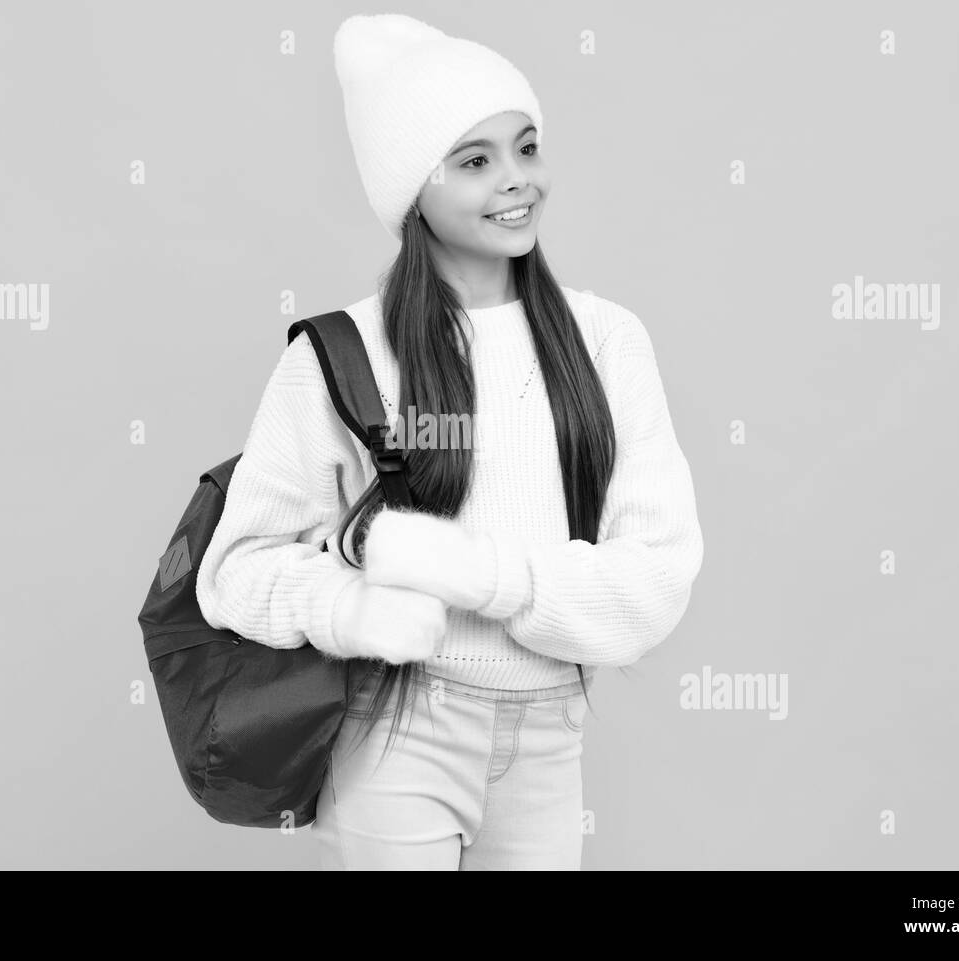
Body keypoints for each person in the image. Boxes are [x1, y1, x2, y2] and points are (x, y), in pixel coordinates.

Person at [196, 13, 705, 870]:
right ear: (412, 191)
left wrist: (476, 571)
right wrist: (350, 608)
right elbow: (232, 573)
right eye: (475, 161)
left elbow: (656, 576)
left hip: (551, 740)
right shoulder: (342, 354)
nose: (517, 182)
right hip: (400, 727)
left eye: (527, 147)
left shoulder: (607, 340)